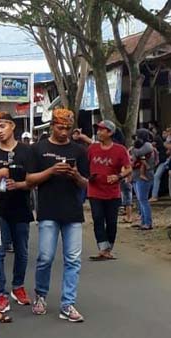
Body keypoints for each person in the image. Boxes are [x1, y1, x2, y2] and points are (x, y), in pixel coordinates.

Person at [26, 108, 89, 322]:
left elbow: (86, 183)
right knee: (45, 257)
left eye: (67, 128)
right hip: (48, 211)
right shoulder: (39, 148)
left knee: (73, 259)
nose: (64, 132)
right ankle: (41, 296)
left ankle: (68, 303)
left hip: (73, 211)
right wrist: (51, 171)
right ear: (52, 125)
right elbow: (30, 179)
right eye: (60, 127)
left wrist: (75, 175)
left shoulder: (79, 151)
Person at [0, 112, 33, 322]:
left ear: (12, 126)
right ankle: (1, 293)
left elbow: (33, 180)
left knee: (21, 251)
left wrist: (19, 185)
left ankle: (18, 287)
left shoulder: (26, 151)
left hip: (21, 207)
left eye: (2, 126)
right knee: (0, 252)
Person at [87, 120, 132, 261]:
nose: (99, 132)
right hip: (94, 191)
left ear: (110, 133)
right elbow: (84, 165)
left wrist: (118, 176)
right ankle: (103, 249)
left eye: (102, 130)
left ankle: (108, 248)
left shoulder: (120, 150)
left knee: (111, 222)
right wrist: (88, 176)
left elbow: (128, 168)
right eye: (98, 129)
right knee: (98, 219)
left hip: (112, 192)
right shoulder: (92, 149)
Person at [131, 129, 156, 230]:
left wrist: (132, 150)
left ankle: (148, 223)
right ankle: (143, 221)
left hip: (146, 175)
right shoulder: (140, 144)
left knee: (143, 200)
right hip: (136, 175)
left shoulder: (147, 145)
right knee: (140, 200)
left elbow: (137, 153)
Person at [151, 128, 169, 201]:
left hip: (163, 161)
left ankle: (154, 196)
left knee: (156, 176)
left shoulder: (157, 139)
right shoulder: (161, 140)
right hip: (161, 161)